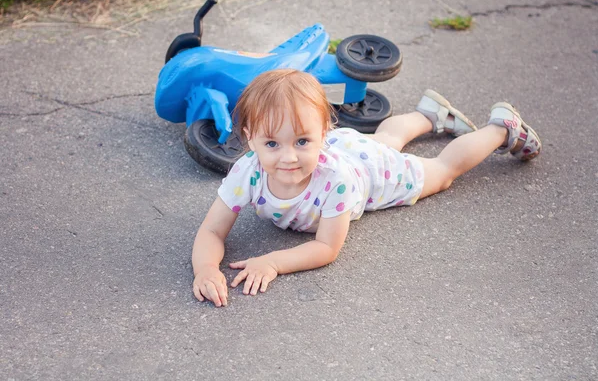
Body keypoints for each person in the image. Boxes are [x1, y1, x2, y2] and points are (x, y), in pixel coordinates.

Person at [191, 69, 542, 307]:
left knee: (441, 171)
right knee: (385, 138)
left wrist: (273, 262)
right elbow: (211, 229)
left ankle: (503, 128)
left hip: (370, 172)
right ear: (250, 139)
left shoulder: (335, 182)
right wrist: (206, 268)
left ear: (323, 132)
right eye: (272, 144)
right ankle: (430, 115)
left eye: (301, 141)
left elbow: (326, 247)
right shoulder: (247, 172)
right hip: (351, 146)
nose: (288, 158)